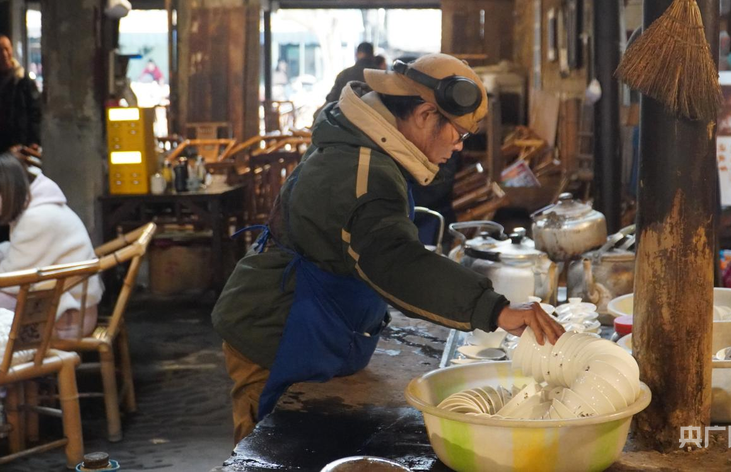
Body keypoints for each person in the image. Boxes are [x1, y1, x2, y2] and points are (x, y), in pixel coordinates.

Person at [212, 53, 564, 443]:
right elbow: (396, 262)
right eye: (459, 133)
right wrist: (494, 309)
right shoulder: (363, 172)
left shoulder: (365, 143)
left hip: (318, 325)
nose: (458, 146)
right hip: (278, 331)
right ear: (426, 114)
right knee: (272, 449)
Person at [0, 153, 103, 338]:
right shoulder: (39, 208)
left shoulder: (37, 218)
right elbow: (28, 249)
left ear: (5, 191)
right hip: (71, 307)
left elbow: (9, 278)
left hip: (69, 318)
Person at [0, 34, 42, 255]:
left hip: (17, 149)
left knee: (12, 194)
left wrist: (33, 142)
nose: (5, 54)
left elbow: (35, 113)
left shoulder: (23, 80)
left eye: (7, 49)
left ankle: (9, 242)